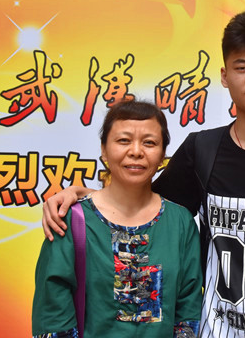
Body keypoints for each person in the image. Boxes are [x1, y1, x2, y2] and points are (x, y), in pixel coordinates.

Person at [41, 10, 245, 337]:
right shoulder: (203, 150)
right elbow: (144, 206)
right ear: (225, 76)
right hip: (219, 331)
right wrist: (82, 195)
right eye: (242, 67)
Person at [32, 100, 202, 338]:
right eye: (123, 140)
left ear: (163, 154)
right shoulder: (72, 219)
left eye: (149, 143)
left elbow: (188, 310)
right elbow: (52, 313)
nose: (136, 151)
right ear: (104, 149)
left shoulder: (180, 222)